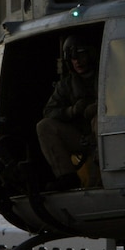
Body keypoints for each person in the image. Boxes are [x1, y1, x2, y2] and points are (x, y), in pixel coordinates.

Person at [36, 35, 99, 191]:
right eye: (72, 57)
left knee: (99, 120)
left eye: (81, 55)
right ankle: (67, 177)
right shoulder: (66, 85)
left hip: (104, 136)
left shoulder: (107, 76)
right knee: (44, 126)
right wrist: (71, 111)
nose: (77, 61)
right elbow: (49, 111)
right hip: (81, 137)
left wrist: (98, 108)